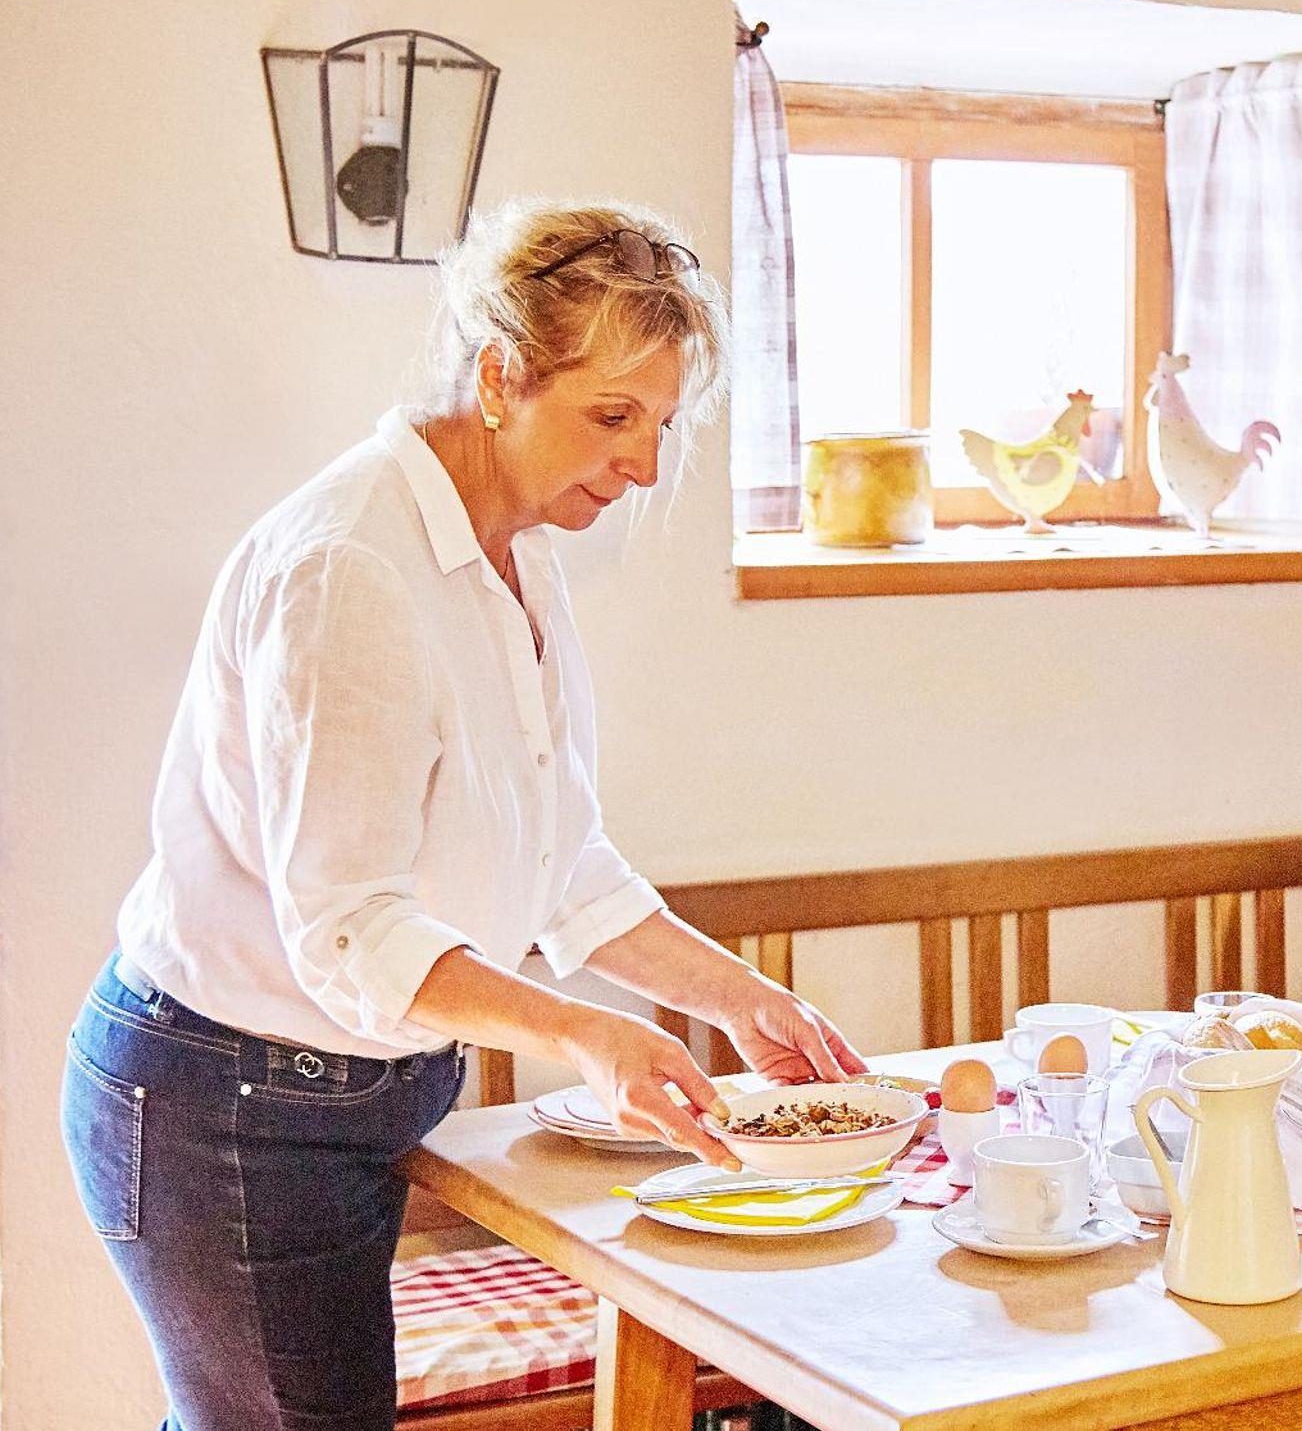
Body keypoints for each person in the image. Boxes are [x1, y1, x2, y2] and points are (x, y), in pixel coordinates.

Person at [61, 199, 864, 1431]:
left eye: (661, 424)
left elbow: (561, 860)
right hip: (225, 1101)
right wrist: (589, 1035)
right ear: (498, 377)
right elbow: (350, 930)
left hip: (333, 1091)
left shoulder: (515, 547)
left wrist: (737, 995)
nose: (644, 466)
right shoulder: (351, 567)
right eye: (613, 416)